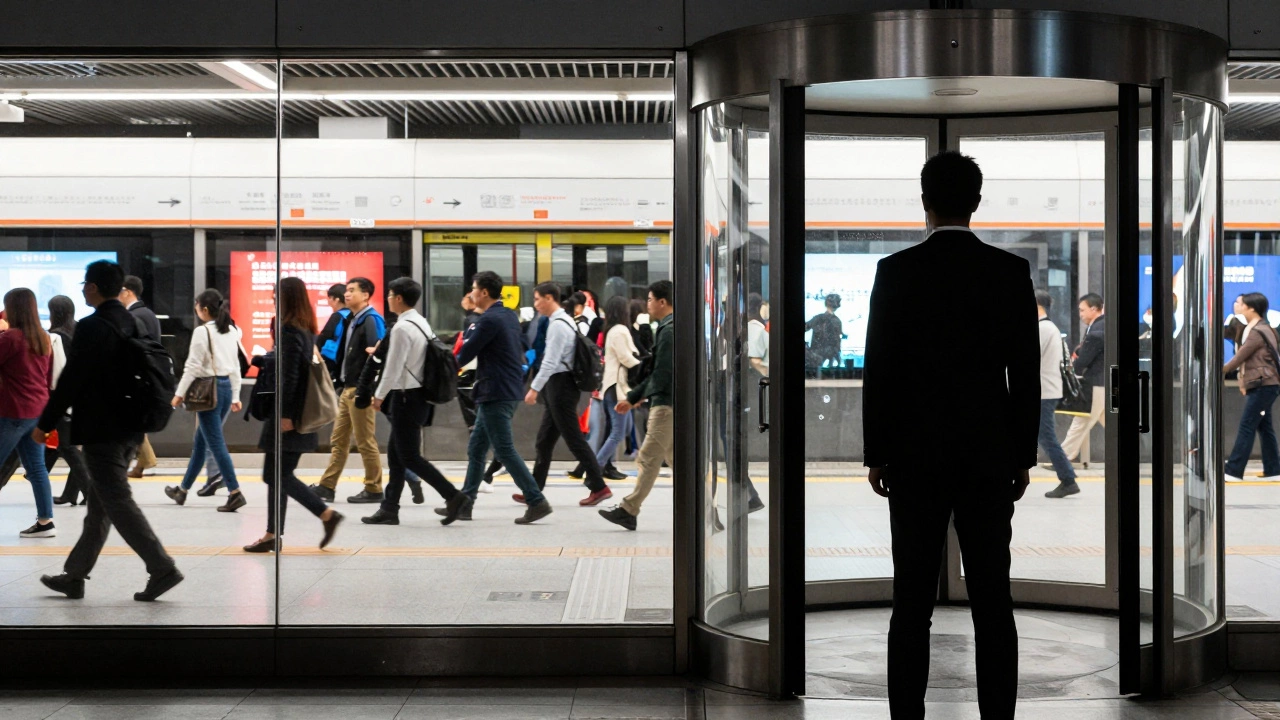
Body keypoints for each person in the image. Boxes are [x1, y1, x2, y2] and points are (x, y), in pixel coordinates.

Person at [863, 151, 1038, 720]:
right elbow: (1026, 373)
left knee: (910, 602)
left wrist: (878, 453)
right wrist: (1021, 455)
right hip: (988, 457)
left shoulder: (896, 271)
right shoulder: (1010, 273)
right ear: (977, 202)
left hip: (914, 458)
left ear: (925, 202)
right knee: (993, 601)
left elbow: (880, 368)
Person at [37, 259, 183, 602]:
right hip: (132, 427)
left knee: (116, 502)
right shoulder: (132, 322)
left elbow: (72, 380)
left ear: (92, 287)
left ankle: (161, 567)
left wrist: (45, 424)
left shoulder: (93, 325)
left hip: (103, 429)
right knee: (101, 505)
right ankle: (74, 576)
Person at [242, 277, 344, 552]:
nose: (274, 299)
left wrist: (285, 416)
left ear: (287, 298)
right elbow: (292, 366)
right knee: (279, 474)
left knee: (276, 475)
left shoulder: (288, 329)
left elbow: (291, 376)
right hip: (298, 413)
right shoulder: (304, 328)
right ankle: (272, 534)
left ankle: (325, 514)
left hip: (289, 415)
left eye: (277, 295)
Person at [361, 277, 471, 526]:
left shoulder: (401, 328)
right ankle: (390, 508)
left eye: (389, 294)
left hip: (405, 398)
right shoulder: (420, 322)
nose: (388, 298)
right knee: (397, 455)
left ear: (399, 298)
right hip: (417, 396)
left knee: (409, 456)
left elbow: (393, 366)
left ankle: (454, 496)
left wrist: (379, 396)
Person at [455, 270, 552, 524]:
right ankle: (464, 504)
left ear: (484, 292)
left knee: (504, 449)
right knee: (477, 448)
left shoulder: (489, 320)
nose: (471, 293)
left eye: (474, 288)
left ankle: (536, 500)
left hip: (495, 391)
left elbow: (466, 352)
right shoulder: (508, 314)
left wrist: (443, 369)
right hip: (504, 388)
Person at [525, 282, 612, 507]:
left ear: (549, 298)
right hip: (559, 385)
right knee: (544, 441)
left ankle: (599, 486)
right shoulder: (562, 321)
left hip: (561, 386)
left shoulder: (558, 325)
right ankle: (534, 490)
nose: (535, 305)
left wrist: (534, 389)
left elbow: (551, 362)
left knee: (574, 439)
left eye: (537, 299)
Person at [599, 280, 674, 531]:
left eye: (651, 299)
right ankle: (708, 510)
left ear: (663, 302)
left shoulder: (669, 330)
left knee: (648, 458)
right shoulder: (667, 327)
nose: (647, 304)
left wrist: (634, 397)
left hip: (665, 405)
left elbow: (661, 373)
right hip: (667, 402)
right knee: (675, 460)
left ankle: (629, 509)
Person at [164, 289, 245, 511]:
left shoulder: (202, 332)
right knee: (201, 442)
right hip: (225, 388)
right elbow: (236, 367)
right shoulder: (231, 330)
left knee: (216, 443)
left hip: (209, 391)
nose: (196, 311)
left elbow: (192, 366)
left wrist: (179, 393)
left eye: (197, 307)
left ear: (205, 309)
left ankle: (235, 491)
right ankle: (182, 490)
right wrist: (236, 395)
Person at [312, 277, 386, 504]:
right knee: (339, 439)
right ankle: (327, 486)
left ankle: (374, 488)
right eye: (346, 290)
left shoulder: (371, 320)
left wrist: (368, 389)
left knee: (365, 440)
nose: (347, 294)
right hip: (347, 387)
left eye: (352, 290)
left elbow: (375, 356)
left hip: (359, 389)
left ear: (366, 295)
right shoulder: (352, 320)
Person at [0, 288, 56, 538]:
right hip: (38, 412)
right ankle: (45, 522)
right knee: (36, 468)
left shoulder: (10, 338)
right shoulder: (43, 337)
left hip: (13, 412)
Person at [1223, 292, 1280, 483]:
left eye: (1240, 302)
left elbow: (1241, 357)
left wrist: (1220, 370)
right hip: (1263, 383)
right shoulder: (1255, 328)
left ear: (1251, 308)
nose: (1236, 304)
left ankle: (1233, 470)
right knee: (1265, 428)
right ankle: (1273, 469)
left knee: (1247, 426)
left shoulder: (1258, 331)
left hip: (1264, 384)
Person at [1036, 290, 1079, 498]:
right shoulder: (1049, 328)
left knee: (1046, 436)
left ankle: (1068, 478)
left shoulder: (1043, 328)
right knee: (1042, 435)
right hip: (1046, 389)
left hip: (1043, 391)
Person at [592, 294, 641, 481]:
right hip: (617, 387)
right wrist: (643, 365)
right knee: (619, 431)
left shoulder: (612, 330)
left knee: (617, 429)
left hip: (612, 386)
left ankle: (605, 467)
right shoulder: (620, 330)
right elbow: (626, 358)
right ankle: (596, 469)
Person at [1058, 293, 1107, 466]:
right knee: (1109, 422)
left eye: (1082, 310)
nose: (1080, 314)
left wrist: (1074, 366)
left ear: (1094, 309)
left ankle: (1063, 458)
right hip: (1102, 383)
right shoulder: (1099, 327)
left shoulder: (1097, 330)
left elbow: (1085, 359)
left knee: (1082, 421)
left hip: (1096, 383)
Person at [123, 275, 162, 480]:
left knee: (132, 423)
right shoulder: (148, 313)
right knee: (135, 423)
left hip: (140, 377)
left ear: (128, 291)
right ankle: (142, 462)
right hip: (148, 375)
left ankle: (139, 462)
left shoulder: (136, 315)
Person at [316, 283, 350, 386]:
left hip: (334, 360)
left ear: (337, 299)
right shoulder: (353, 314)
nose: (328, 301)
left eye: (330, 297)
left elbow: (324, 337)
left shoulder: (337, 316)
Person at [806, 293, 845, 373]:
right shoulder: (837, 321)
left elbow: (806, 327)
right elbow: (837, 341)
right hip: (826, 354)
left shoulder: (818, 318)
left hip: (817, 355)